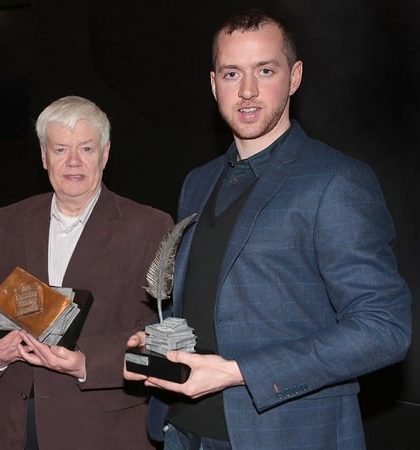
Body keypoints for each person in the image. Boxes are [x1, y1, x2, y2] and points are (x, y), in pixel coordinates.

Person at [124, 9, 412, 450]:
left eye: (265, 70)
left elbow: (383, 329)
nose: (248, 90)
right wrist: (161, 338)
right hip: (183, 432)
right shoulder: (197, 182)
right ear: (213, 83)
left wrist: (239, 372)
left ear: (294, 77)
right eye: (232, 73)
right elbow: (210, 300)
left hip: (286, 435)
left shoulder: (335, 180)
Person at [0, 95, 174, 450]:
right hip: (16, 425)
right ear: (44, 156)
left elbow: (158, 332)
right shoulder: (10, 220)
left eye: (86, 149)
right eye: (61, 149)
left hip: (101, 428)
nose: (73, 162)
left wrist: (85, 362)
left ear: (105, 154)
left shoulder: (150, 226)